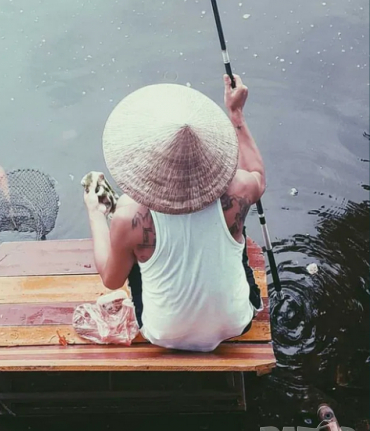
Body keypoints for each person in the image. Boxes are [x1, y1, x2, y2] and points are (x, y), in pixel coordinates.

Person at [83, 74, 265, 352]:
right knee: (236, 226)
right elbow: (257, 175)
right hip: (237, 322)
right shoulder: (239, 188)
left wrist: (96, 214)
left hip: (163, 333)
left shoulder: (128, 217)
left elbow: (111, 280)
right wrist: (236, 113)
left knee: (135, 252)